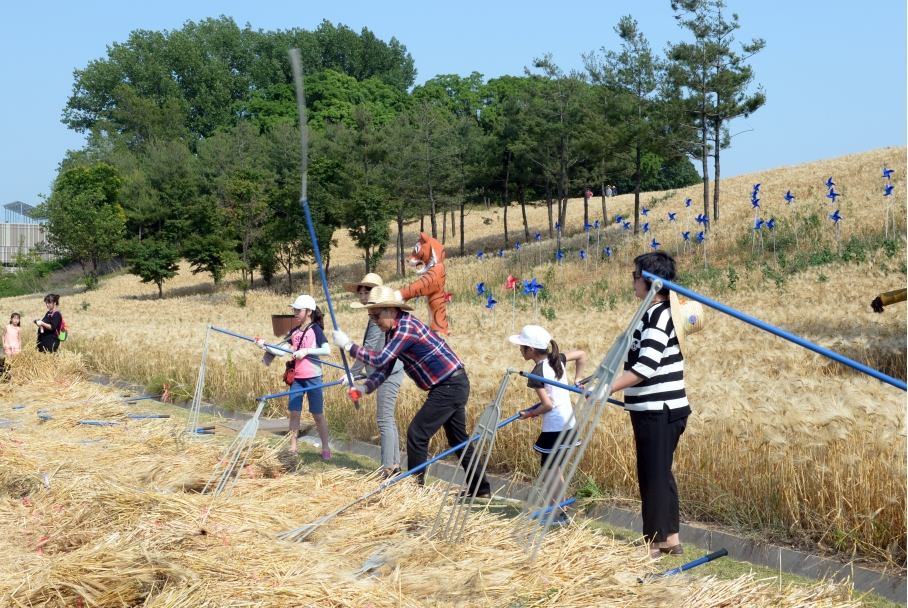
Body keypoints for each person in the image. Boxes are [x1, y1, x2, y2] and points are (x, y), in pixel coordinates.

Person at [333, 286, 492, 498]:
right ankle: (481, 489)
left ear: (390, 309)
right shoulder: (393, 331)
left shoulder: (405, 327)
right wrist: (364, 388)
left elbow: (379, 359)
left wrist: (348, 345)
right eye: (371, 317)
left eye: (376, 316)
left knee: (417, 433)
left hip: (450, 385)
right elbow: (385, 368)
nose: (375, 321)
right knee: (458, 440)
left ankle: (414, 492)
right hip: (450, 385)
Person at [609, 251, 702, 559]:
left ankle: (653, 544)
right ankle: (672, 538)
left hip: (657, 409)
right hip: (663, 407)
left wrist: (605, 388)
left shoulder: (657, 316)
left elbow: (645, 367)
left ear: (650, 282)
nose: (631, 281)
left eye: (634, 276)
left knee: (652, 476)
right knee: (661, 474)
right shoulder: (659, 312)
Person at [511, 325, 586, 524]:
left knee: (549, 471)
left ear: (531, 350)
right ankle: (561, 510)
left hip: (554, 427)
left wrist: (529, 414)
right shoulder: (556, 359)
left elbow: (547, 405)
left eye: (522, 346)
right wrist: (578, 378)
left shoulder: (537, 372)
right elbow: (581, 354)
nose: (520, 350)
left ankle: (556, 514)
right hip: (568, 423)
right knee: (555, 468)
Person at [343, 273, 405, 478]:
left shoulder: (379, 315)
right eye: (360, 292)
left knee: (384, 419)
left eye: (366, 292)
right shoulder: (375, 315)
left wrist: (352, 374)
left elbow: (368, 348)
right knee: (388, 419)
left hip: (387, 372)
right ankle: (394, 465)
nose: (362, 296)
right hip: (387, 370)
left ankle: (387, 468)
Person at [256, 295, 332, 457]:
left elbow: (327, 350)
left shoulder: (316, 330)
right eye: (294, 310)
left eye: (298, 310)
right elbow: (281, 351)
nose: (295, 312)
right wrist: (264, 346)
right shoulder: (294, 332)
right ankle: (293, 447)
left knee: (317, 414)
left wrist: (307, 351)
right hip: (297, 378)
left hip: (313, 377)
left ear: (309, 312)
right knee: (294, 413)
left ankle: (325, 447)